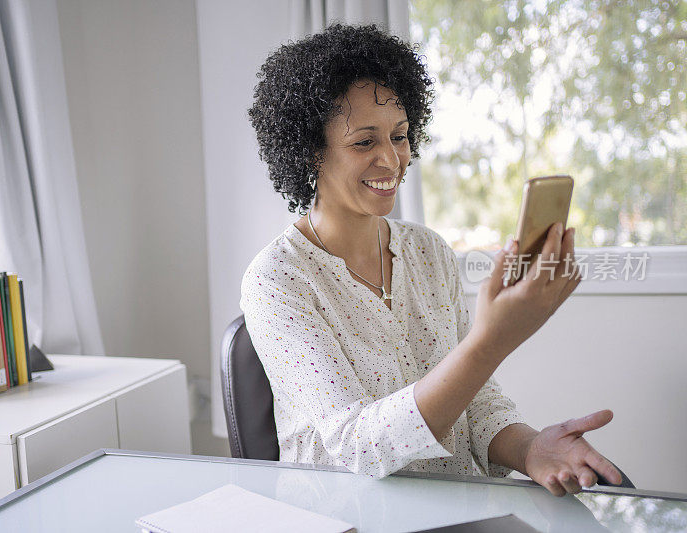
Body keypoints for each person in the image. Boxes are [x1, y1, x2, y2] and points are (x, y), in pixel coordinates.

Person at [241, 23, 622, 496]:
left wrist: (530, 448)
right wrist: (489, 342)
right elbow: (358, 446)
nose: (392, 160)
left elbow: (473, 403)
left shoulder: (428, 251)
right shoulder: (278, 279)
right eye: (364, 142)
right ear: (309, 153)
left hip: (456, 508)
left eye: (399, 136)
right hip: (347, 516)